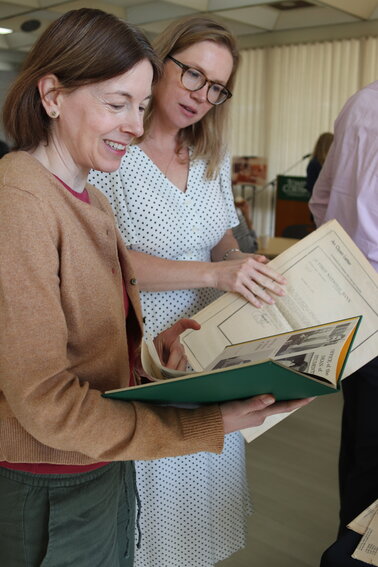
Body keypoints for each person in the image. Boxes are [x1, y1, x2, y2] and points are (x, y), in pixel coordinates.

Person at [0, 9, 313, 567]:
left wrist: (147, 355)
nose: (135, 124)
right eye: (117, 103)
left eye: (139, 107)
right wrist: (201, 420)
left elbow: (94, 320)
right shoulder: (27, 200)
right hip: (54, 473)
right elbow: (47, 401)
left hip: (103, 456)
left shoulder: (86, 198)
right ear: (51, 96)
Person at [89, 15, 290, 567]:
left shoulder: (209, 155)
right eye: (194, 76)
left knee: (199, 513)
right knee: (149, 523)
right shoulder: (112, 150)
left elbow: (219, 236)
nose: (204, 97)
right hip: (147, 355)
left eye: (218, 88)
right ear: (160, 62)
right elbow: (106, 262)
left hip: (210, 357)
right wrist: (214, 274)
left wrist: (241, 261)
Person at [309, 81, 378, 566]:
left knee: (361, 445)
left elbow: (321, 203)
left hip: (352, 301)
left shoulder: (361, 101)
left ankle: (347, 550)